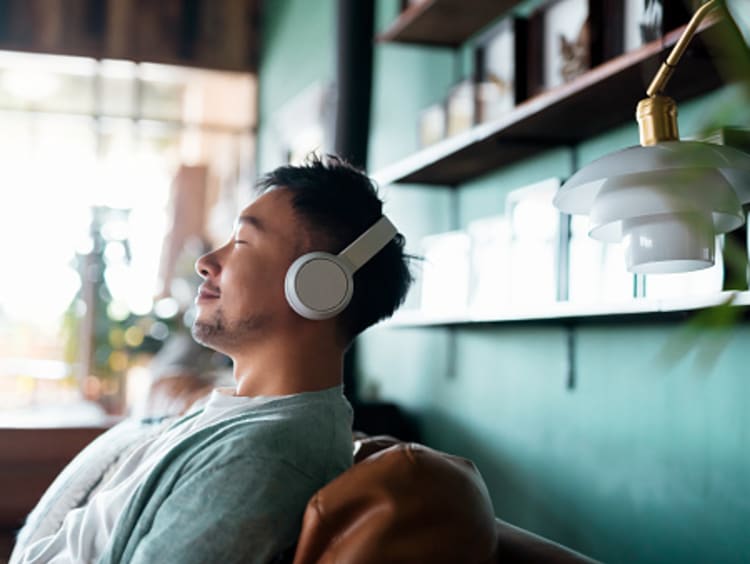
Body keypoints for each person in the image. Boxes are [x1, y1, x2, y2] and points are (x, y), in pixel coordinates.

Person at [11, 154, 413, 564]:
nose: (205, 263)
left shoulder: (266, 456)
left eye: (241, 242)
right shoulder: (233, 415)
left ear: (317, 285)